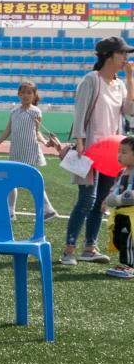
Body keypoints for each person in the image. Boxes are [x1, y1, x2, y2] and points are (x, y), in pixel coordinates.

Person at [59, 37, 134, 266]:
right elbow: (80, 112)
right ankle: (69, 249)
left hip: (113, 150)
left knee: (101, 200)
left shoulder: (119, 84)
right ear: (109, 56)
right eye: (123, 54)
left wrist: (130, 78)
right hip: (90, 148)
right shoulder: (91, 80)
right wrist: (79, 141)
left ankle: (90, 247)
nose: (126, 59)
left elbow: (130, 110)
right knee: (86, 199)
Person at [0, 81, 60, 219]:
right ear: (19, 94)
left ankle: (47, 209)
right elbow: (8, 130)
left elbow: (37, 132)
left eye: (29, 92)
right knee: (11, 181)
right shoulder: (14, 111)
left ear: (34, 95)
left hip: (30, 151)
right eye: (23, 92)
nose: (26, 95)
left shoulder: (36, 112)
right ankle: (11, 212)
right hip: (16, 151)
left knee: (31, 180)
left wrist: (45, 142)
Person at [103, 135, 134, 278]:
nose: (119, 155)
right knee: (119, 239)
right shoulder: (121, 173)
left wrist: (121, 199)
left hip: (131, 215)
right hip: (120, 213)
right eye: (119, 151)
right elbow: (114, 190)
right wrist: (106, 201)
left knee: (129, 239)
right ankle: (124, 264)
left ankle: (130, 266)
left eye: (124, 152)